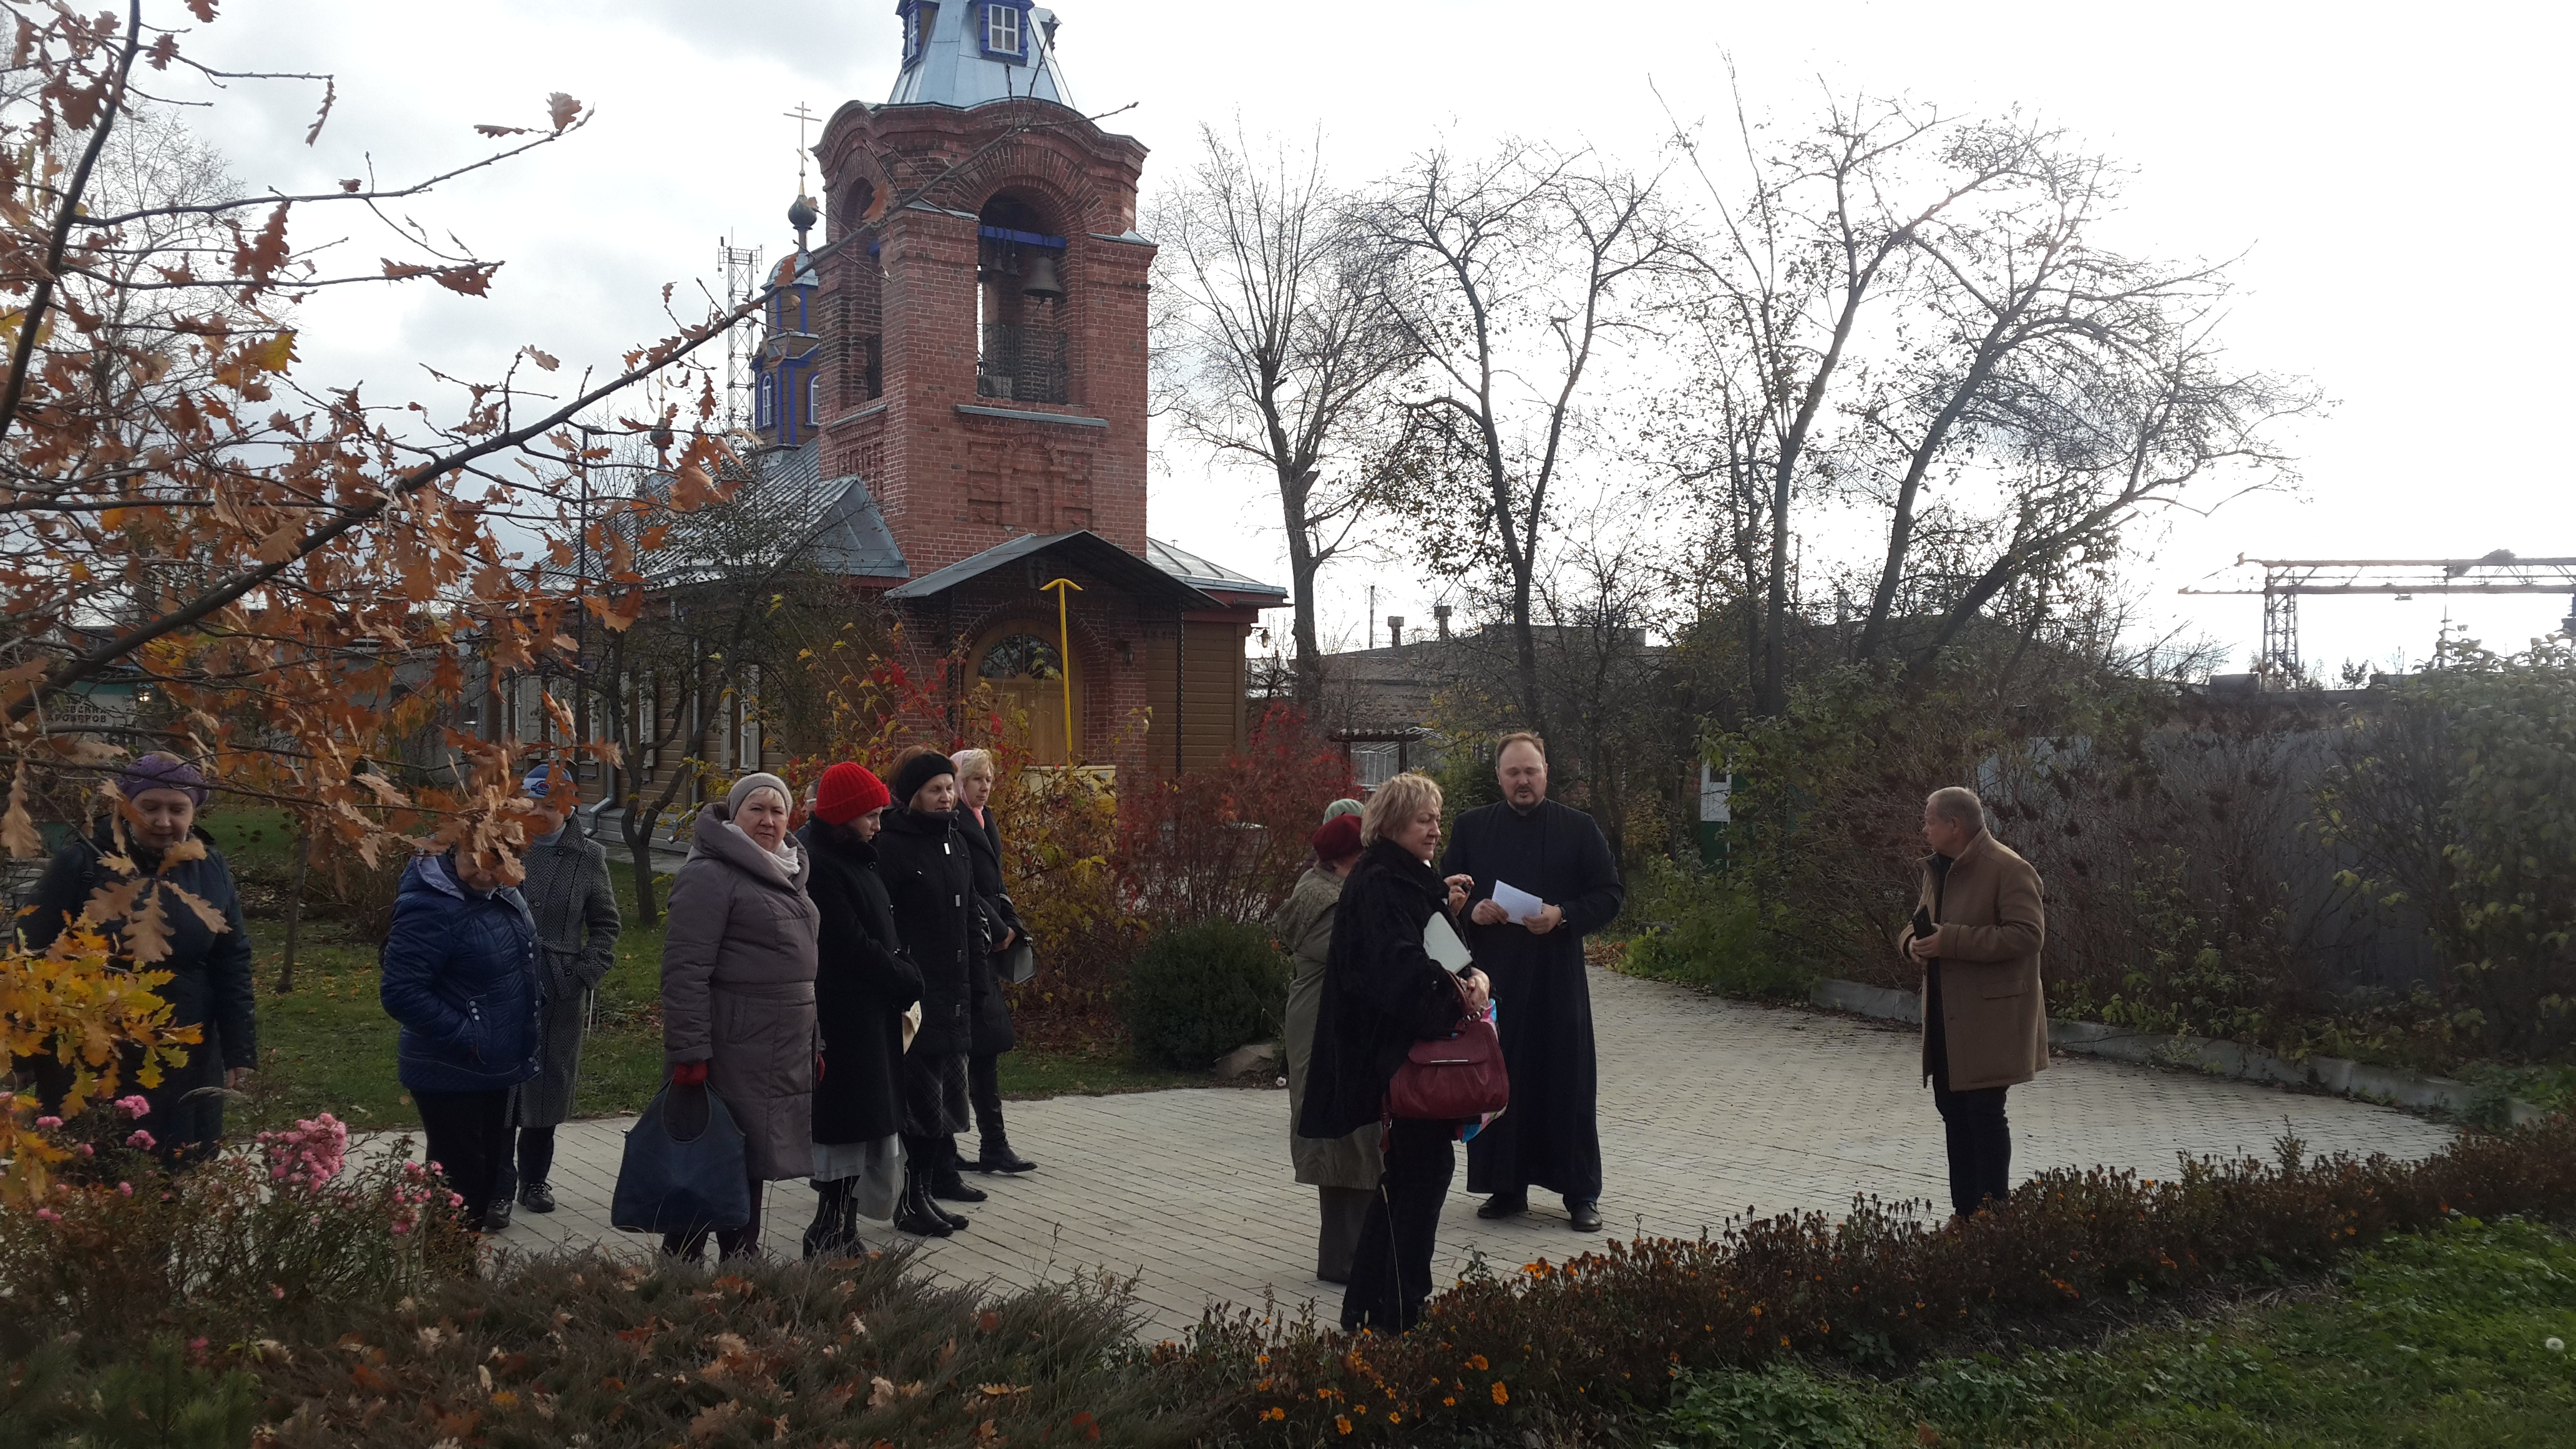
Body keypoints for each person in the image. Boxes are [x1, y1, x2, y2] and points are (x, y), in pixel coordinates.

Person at [1299, 771, 1492, 1334]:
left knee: (1406, 1178)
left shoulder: (1408, 876)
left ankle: (1369, 1306)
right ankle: (1404, 1310)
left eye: (1438, 818)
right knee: (1422, 1177)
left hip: (1403, 1052)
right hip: (1396, 1055)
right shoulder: (1384, 882)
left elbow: (1449, 953)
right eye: (1424, 819)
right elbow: (1400, 974)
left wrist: (1475, 976)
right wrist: (1457, 996)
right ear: (1393, 823)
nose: (1435, 830)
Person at [25, 753, 255, 1163]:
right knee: (97, 1167)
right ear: (125, 807)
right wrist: (25, 1050)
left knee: (178, 1163)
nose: (163, 821)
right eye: (149, 807)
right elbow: (32, 955)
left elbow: (232, 961)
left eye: (177, 809)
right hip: (94, 1048)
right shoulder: (80, 863)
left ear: (193, 812)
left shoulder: (211, 868)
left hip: (185, 1047)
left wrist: (240, 1051)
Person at [1441, 731, 1624, 1233]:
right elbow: (1443, 892)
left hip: (1556, 980)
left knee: (1568, 1081)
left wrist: (1563, 915)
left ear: (1546, 773)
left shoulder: (1579, 828)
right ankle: (1506, 1188)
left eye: (1531, 771)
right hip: (1494, 977)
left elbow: (1610, 894)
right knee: (1500, 1079)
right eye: (1513, 773)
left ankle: (1580, 1193)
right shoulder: (1472, 827)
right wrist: (1472, 912)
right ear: (1499, 777)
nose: (1523, 781)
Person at [658, 773, 821, 1261]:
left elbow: (803, 971)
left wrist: (816, 1043)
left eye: (778, 811)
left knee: (750, 1157)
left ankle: (735, 1259)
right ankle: (694, 1261)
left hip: (778, 1048)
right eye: (757, 809)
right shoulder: (710, 875)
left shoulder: (787, 871)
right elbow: (685, 971)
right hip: (729, 1046)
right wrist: (690, 1052)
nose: (768, 821)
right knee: (715, 1154)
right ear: (734, 815)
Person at [379, 827, 541, 1229]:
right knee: (459, 1187)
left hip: (492, 1064)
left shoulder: (504, 892)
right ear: (455, 847)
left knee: (484, 1180)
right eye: (475, 859)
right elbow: (401, 992)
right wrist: (470, 1036)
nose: (484, 873)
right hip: (449, 1068)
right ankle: (446, 1265)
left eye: (497, 862)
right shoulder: (430, 904)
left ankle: (459, 1263)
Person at [797, 761, 926, 1252]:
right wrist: (902, 976)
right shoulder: (823, 864)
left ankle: (844, 1230)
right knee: (846, 1126)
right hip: (844, 1017)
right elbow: (847, 943)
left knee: (866, 1125)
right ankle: (829, 1231)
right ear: (843, 816)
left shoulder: (855, 856)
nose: (878, 825)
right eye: (870, 816)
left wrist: (900, 968)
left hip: (869, 1012)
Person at [1905, 785, 2048, 1221]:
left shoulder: (2010, 869)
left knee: (1984, 1113)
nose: (1924, 829)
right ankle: (1965, 1214)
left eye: (1930, 821)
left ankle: (1993, 1217)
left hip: (1991, 1019)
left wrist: (1949, 941)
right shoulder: (1938, 868)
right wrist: (1913, 944)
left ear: (1955, 825)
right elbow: (1918, 924)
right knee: (1953, 1111)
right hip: (1945, 1015)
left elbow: (2028, 935)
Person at [490, 764, 620, 1227]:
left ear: (569, 807)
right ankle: (498, 1188)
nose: (540, 813)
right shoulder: (501, 847)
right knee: (502, 1089)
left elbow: (606, 925)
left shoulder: (589, 856)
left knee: (547, 1086)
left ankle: (535, 1181)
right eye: (531, 804)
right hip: (502, 982)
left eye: (550, 805)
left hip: (557, 988)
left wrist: (580, 975)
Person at [872, 749, 983, 1233]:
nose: (945, 798)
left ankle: (927, 1189)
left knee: (944, 1108)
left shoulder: (955, 840)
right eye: (935, 789)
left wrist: (978, 983)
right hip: (914, 996)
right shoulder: (893, 844)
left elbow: (969, 914)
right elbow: (884, 923)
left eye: (949, 788)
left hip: (954, 992)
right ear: (912, 794)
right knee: (918, 1107)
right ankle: (909, 1200)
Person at [1276, 809, 1378, 1284]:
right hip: (1325, 1035)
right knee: (1343, 1143)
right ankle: (1344, 1262)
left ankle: (1356, 1258)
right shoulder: (1322, 902)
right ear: (1340, 861)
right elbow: (1364, 956)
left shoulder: (1335, 890)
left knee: (1357, 1141)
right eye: (1364, 858)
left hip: (1336, 1030)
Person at [950, 747, 1035, 1174]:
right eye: (976, 779)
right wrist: (998, 928)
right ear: (959, 782)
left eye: (988, 779)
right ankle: (953, 1147)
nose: (985, 787)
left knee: (986, 1047)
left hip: (988, 941)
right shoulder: (954, 823)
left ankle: (994, 1144)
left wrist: (1014, 924)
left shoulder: (985, 820)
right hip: (968, 945)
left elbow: (996, 882)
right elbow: (964, 886)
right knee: (962, 1049)